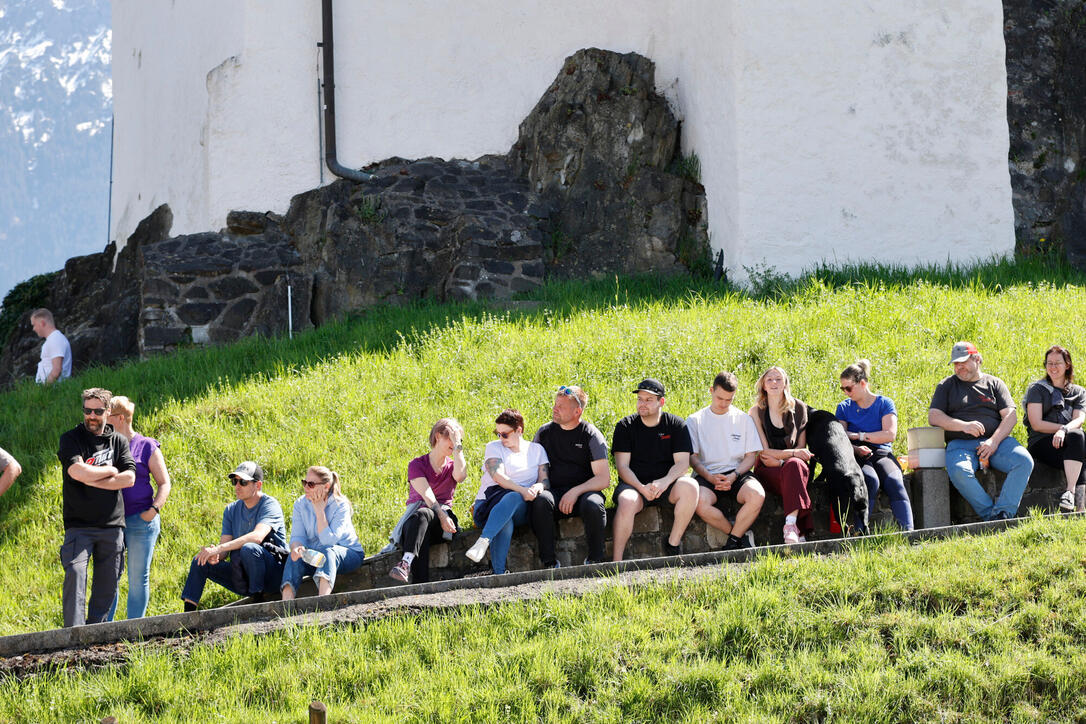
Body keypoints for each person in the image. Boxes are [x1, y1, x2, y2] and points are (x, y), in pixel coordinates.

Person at [928, 341, 1034, 521]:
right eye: (956, 363)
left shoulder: (994, 383)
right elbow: (934, 416)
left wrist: (994, 441)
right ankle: (992, 516)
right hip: (960, 445)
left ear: (977, 359)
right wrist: (963, 426)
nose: (959, 367)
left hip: (997, 442)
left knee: (1023, 461)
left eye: (963, 361)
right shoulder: (946, 385)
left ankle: (1004, 512)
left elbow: (1010, 416)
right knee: (959, 471)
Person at [57, 388, 135, 627]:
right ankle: (74, 633)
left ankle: (95, 633)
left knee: (107, 584)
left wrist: (91, 478)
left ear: (108, 411)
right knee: (75, 574)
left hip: (112, 526)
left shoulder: (119, 441)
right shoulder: (71, 439)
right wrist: (110, 471)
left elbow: (129, 478)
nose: (92, 415)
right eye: (87, 410)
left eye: (98, 411)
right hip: (79, 526)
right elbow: (76, 471)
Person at [611, 378, 699, 561]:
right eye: (640, 399)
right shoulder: (625, 426)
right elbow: (622, 467)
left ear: (661, 402)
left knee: (691, 486)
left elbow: (683, 464)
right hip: (634, 485)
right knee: (626, 501)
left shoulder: (676, 425)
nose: (642, 404)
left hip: (667, 485)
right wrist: (642, 488)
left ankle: (672, 544)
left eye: (649, 400)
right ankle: (616, 561)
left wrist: (664, 482)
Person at [180, 461, 287, 610]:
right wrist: (214, 555)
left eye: (243, 482)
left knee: (250, 548)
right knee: (200, 560)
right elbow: (224, 552)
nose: (237, 486)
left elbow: (257, 537)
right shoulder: (231, 510)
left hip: (274, 574)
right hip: (243, 574)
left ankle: (258, 602)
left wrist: (219, 548)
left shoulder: (270, 505)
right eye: (234, 481)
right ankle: (187, 617)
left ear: (258, 485)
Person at [105, 396, 172, 619]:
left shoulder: (146, 446)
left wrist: (153, 511)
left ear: (120, 418)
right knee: (108, 577)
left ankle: (134, 629)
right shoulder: (105, 447)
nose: (103, 421)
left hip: (141, 520)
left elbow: (164, 483)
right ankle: (103, 629)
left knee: (137, 578)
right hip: (112, 522)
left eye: (107, 416)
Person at [530, 386, 610, 567]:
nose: (554, 409)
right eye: (555, 404)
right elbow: (536, 470)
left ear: (577, 411)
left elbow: (603, 479)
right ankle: (549, 563)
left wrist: (575, 492)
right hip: (554, 492)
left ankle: (595, 560)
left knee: (594, 504)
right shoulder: (544, 433)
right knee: (541, 501)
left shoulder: (591, 435)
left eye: (561, 407)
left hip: (585, 492)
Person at [687, 372, 766, 551]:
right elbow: (692, 458)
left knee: (757, 495)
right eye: (719, 398)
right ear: (711, 391)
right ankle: (739, 536)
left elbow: (750, 457)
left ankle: (732, 542)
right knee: (698, 502)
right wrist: (710, 476)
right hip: (706, 474)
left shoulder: (743, 419)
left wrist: (734, 475)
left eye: (729, 400)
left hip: (737, 472)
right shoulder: (695, 420)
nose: (723, 404)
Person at [465, 409, 549, 574]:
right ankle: (499, 572)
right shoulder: (493, 447)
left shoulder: (537, 450)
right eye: (498, 434)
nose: (501, 438)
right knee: (508, 512)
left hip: (522, 508)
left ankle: (484, 540)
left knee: (514, 499)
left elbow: (545, 479)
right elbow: (498, 476)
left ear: (519, 430)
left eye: (505, 434)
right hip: (488, 505)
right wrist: (522, 490)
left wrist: (539, 487)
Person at [836, 360, 914, 530]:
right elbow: (840, 438)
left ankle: (908, 532)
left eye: (849, 388)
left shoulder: (884, 403)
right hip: (857, 454)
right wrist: (857, 447)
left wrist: (858, 435)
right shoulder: (843, 407)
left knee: (895, 481)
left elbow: (889, 435)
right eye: (843, 389)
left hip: (881, 453)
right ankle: (860, 532)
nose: (846, 393)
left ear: (862, 383)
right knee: (870, 480)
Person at [389, 419, 467, 583]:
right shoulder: (417, 464)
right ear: (438, 436)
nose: (454, 443)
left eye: (458, 439)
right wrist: (440, 515)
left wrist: (457, 446)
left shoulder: (452, 466)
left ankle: (405, 563)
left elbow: (460, 476)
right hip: (418, 520)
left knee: (422, 517)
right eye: (451, 438)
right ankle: (419, 583)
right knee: (421, 518)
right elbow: (427, 495)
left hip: (443, 525)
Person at [750, 366, 814, 544]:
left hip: (791, 466)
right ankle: (800, 530)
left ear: (785, 383)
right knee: (793, 466)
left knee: (794, 466)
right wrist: (792, 454)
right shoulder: (756, 411)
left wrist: (781, 462)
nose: (774, 383)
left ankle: (790, 525)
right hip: (768, 468)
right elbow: (764, 452)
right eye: (769, 379)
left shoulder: (799, 408)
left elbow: (802, 449)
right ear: (763, 385)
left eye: (778, 379)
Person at [281, 466, 365, 599]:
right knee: (294, 556)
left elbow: (329, 541)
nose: (306, 487)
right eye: (304, 482)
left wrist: (319, 510)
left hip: (348, 554)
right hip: (315, 556)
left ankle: (322, 602)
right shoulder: (300, 504)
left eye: (311, 484)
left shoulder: (340, 505)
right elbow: (297, 536)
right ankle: (286, 605)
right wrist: (297, 548)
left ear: (326, 486)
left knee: (327, 551)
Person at [1024, 345, 1086, 513]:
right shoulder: (1037, 390)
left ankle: (1072, 498)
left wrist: (1063, 430)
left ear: (1067, 365)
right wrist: (1061, 429)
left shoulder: (1079, 392)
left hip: (1070, 441)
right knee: (1080, 452)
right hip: (1042, 442)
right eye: (1049, 363)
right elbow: (1036, 424)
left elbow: (1079, 419)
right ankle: (1077, 504)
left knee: (1078, 438)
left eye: (1057, 363)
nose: (1052, 367)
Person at [31, 308, 72, 385]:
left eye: (34, 325)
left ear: (42, 323)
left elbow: (57, 370)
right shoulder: (53, 339)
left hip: (54, 389)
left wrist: (45, 389)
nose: (33, 329)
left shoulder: (55, 339)